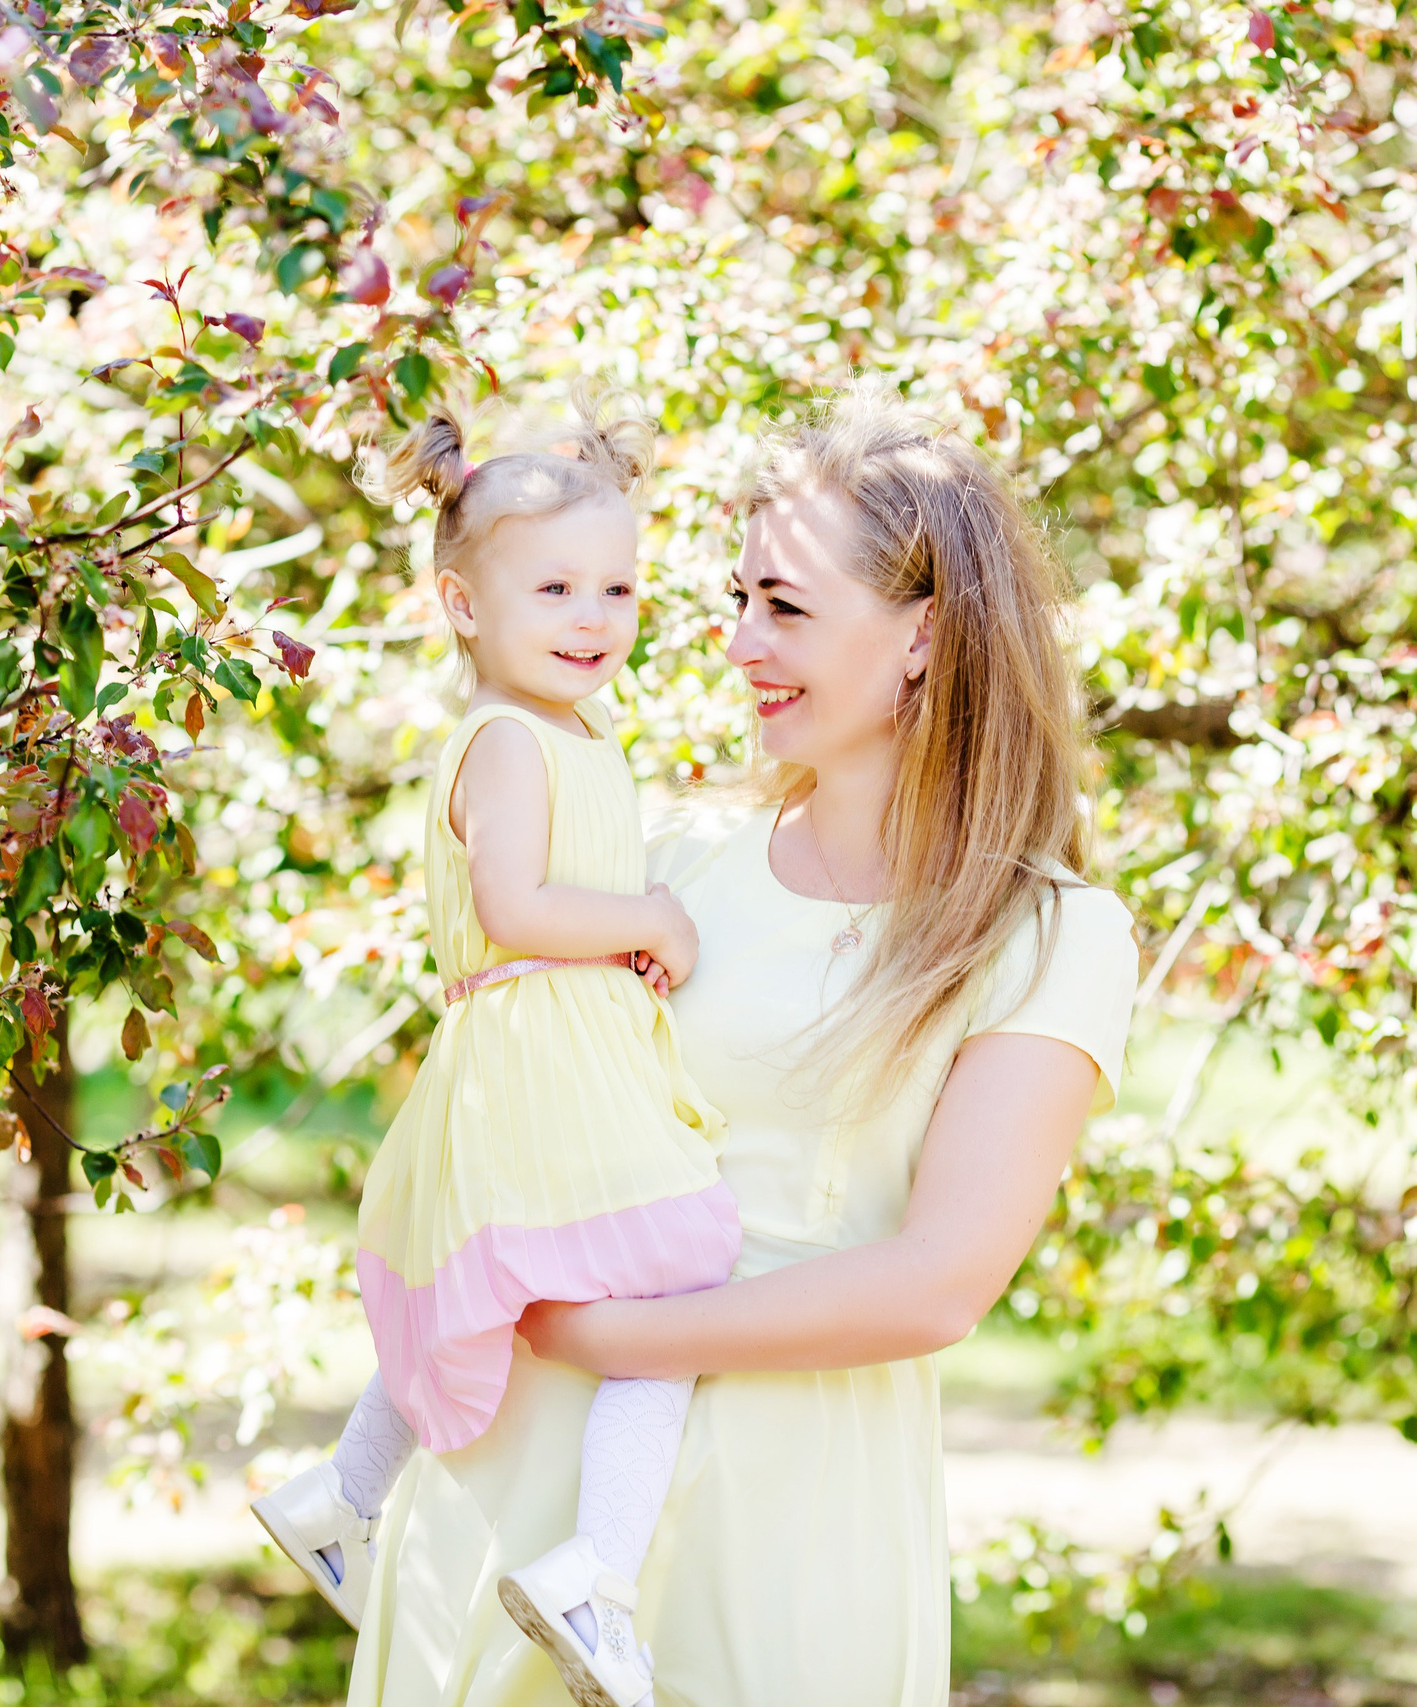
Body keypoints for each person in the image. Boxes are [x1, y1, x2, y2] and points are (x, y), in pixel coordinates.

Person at [344, 385, 1140, 1707]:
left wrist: (601, 1337)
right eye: (734, 599)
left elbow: (937, 1284)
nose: (737, 644)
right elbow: (489, 1117)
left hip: (788, 1519)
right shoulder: (663, 870)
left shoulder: (1048, 935)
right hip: (510, 1505)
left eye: (786, 607)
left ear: (924, 636)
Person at [253, 395, 741, 1707]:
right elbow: (517, 908)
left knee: (478, 1280)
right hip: (536, 1043)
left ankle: (344, 1493)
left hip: (549, 1036)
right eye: (557, 589)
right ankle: (598, 1574)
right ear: (466, 609)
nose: (595, 615)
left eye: (619, 587)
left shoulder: (576, 737)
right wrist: (645, 918)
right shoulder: (513, 742)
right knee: (677, 1293)